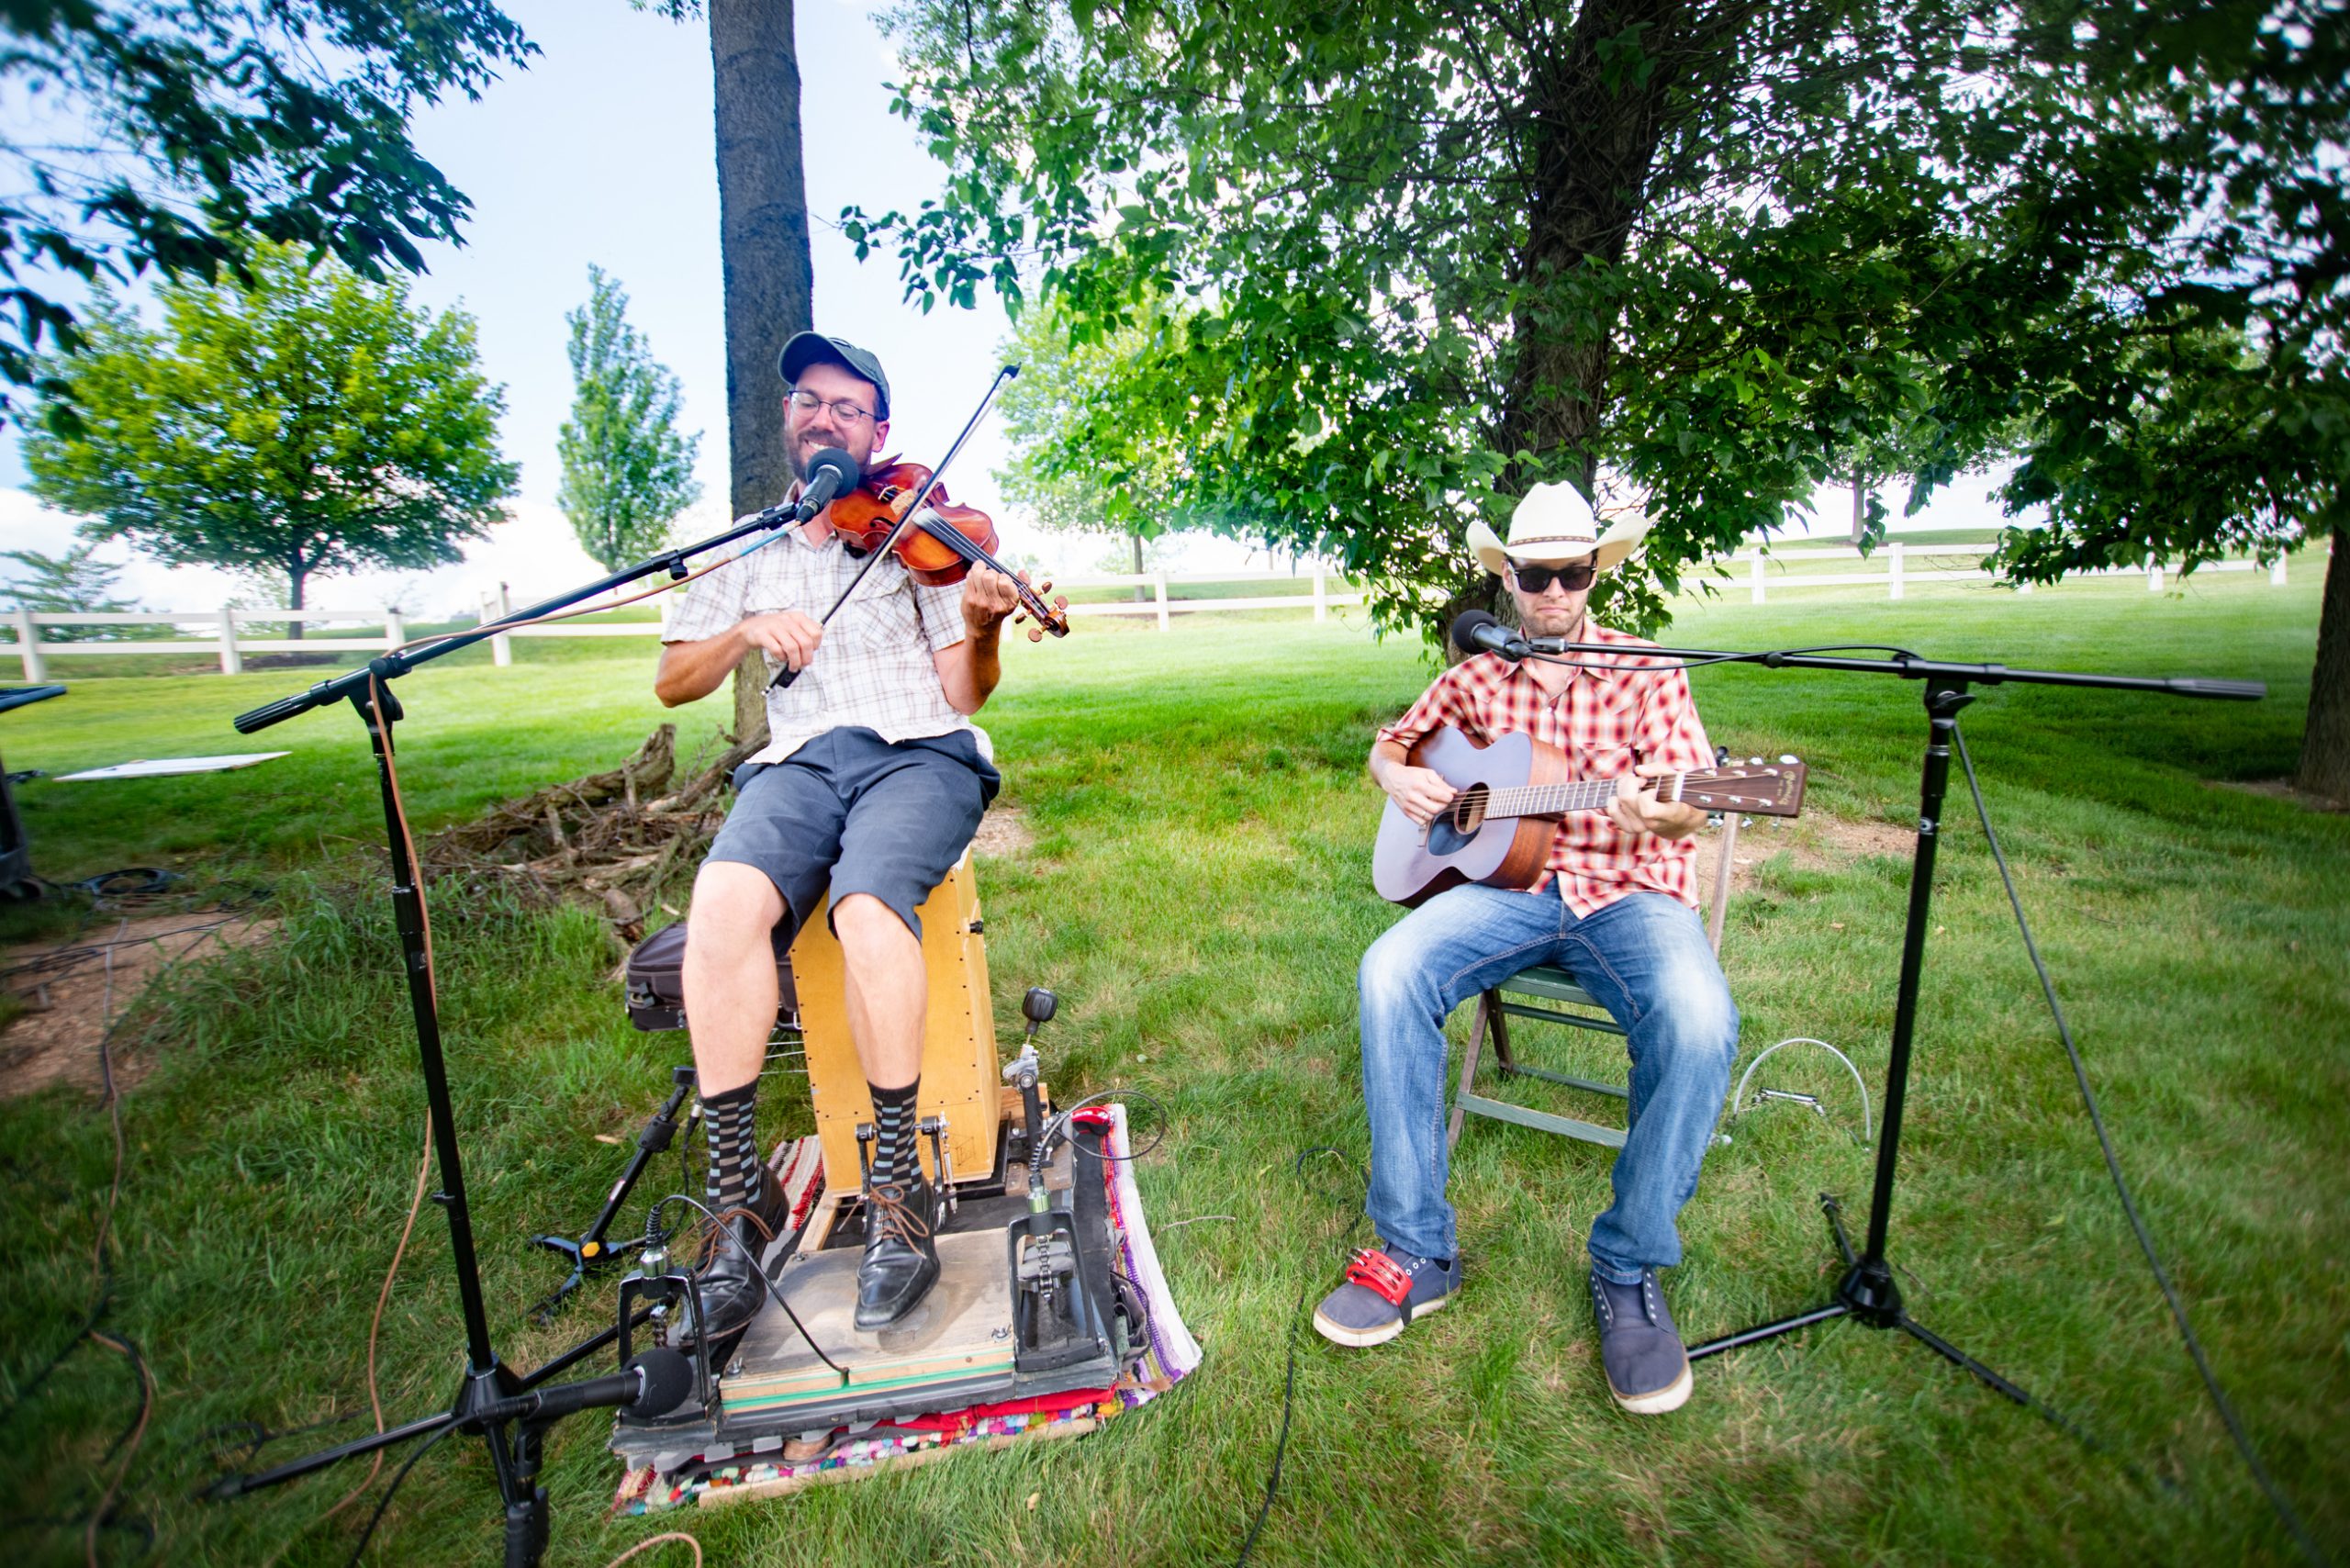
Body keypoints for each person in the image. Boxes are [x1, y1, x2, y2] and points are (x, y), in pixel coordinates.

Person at [1314, 482, 1739, 1415]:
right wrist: (1406, 783)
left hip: (1627, 894)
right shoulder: (1473, 672)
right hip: (1505, 889)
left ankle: (1626, 1265)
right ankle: (1416, 1247)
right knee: (1389, 969)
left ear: (1597, 573)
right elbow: (1392, 747)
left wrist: (1665, 802)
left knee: (1701, 1021)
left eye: (1572, 572)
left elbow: (1690, 795)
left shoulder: (1645, 668)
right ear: (1506, 576)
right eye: (1535, 573)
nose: (1553, 591)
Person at [654, 332, 1025, 1341]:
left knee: (866, 908)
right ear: (788, 417)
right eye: (809, 402)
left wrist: (986, 625)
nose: (825, 419)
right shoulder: (749, 542)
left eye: (848, 408)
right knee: (721, 904)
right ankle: (739, 1203)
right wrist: (745, 630)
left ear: (879, 429)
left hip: (919, 751)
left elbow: (962, 689)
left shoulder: (916, 529)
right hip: (800, 759)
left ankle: (897, 1200)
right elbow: (673, 679)